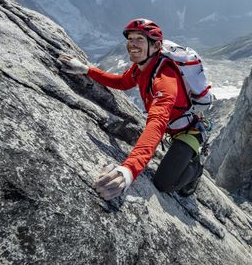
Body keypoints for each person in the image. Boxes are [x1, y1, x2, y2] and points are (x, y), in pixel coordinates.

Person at [58, 18, 204, 200]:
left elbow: (157, 123)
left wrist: (129, 170)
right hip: (172, 128)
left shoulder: (165, 78)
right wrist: (87, 70)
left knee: (164, 183)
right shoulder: (141, 67)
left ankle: (196, 169)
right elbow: (121, 82)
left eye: (139, 39)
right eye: (130, 39)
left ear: (157, 45)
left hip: (188, 132)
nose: (132, 44)